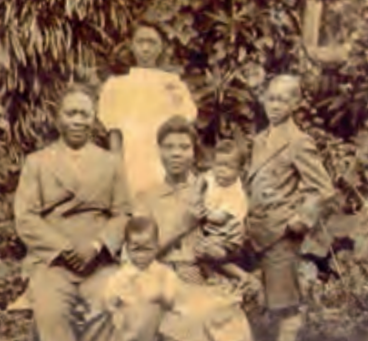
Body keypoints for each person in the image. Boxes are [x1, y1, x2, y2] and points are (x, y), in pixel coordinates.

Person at [14, 83, 132, 341]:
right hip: (53, 261)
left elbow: (123, 213)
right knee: (51, 312)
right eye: (71, 114)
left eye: (85, 114)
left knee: (107, 305)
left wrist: (98, 244)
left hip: (98, 261)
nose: (78, 121)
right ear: (58, 119)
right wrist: (64, 248)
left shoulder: (111, 163)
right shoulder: (38, 162)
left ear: (94, 119)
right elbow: (25, 217)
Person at [135, 115, 253, 341]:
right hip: (163, 278)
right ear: (159, 151)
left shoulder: (212, 191)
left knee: (231, 321)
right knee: (194, 317)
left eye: (184, 147)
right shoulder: (146, 198)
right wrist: (182, 224)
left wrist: (228, 261)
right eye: (169, 147)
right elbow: (138, 254)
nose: (176, 154)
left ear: (194, 152)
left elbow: (230, 240)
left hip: (205, 275)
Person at [246, 74, 335, 341]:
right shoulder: (260, 140)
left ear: (296, 103)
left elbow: (323, 189)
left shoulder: (299, 141)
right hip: (256, 230)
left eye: (283, 100)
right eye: (271, 99)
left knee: (285, 307)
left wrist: (302, 218)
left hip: (281, 235)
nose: (275, 105)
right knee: (259, 300)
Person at [98, 20, 197, 195]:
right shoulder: (116, 85)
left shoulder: (173, 84)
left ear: (161, 47)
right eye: (140, 42)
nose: (145, 48)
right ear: (131, 45)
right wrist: (117, 173)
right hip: (132, 161)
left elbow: (184, 129)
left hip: (165, 162)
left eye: (152, 42)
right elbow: (115, 137)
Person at [193, 139, 252, 282]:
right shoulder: (213, 176)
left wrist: (202, 213)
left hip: (227, 233)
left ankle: (230, 262)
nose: (222, 170)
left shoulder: (236, 194)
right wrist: (197, 191)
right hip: (213, 229)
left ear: (239, 171)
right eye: (219, 165)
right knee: (199, 250)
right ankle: (213, 276)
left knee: (203, 250)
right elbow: (202, 179)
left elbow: (219, 218)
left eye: (229, 167)